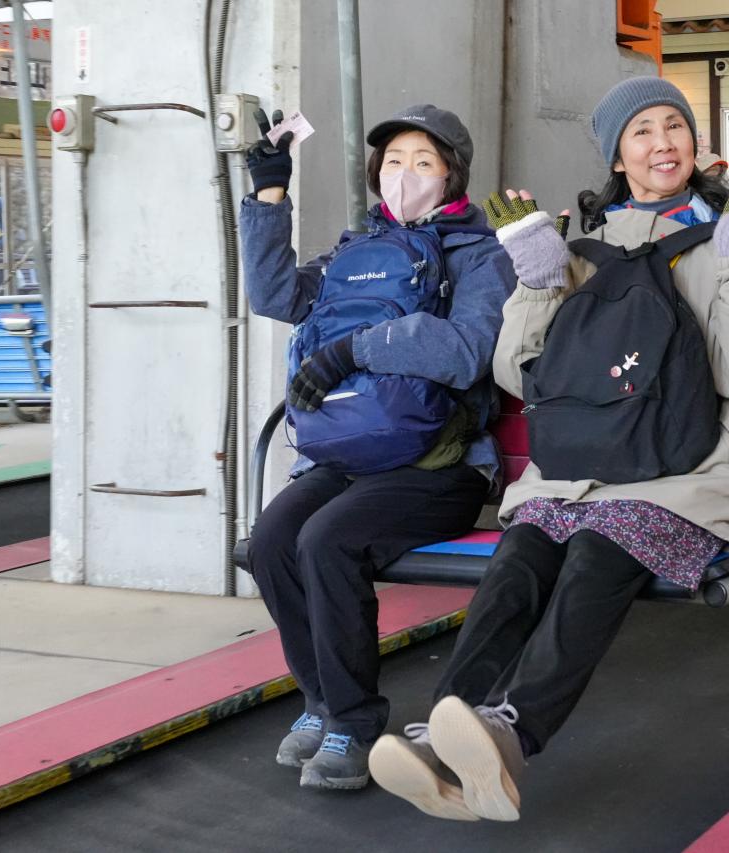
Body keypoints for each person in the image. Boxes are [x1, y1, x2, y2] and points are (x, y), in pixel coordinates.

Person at [369, 76, 729, 822]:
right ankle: (453, 728)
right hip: (581, 465)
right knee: (520, 557)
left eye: (674, 126)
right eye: (642, 132)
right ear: (617, 157)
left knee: (602, 549)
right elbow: (521, 373)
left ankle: (511, 733)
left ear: (693, 143)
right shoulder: (582, 244)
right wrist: (538, 281)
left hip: (687, 462)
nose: (662, 143)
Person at [237, 104, 516, 790]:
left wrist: (353, 350)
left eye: (424, 161)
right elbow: (275, 294)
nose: (405, 174)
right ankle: (321, 699)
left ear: (452, 175)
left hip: (439, 463)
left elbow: (466, 350)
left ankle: (356, 723)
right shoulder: (354, 252)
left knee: (327, 540)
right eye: (394, 161)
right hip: (348, 455)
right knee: (273, 538)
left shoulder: (480, 255)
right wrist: (271, 193)